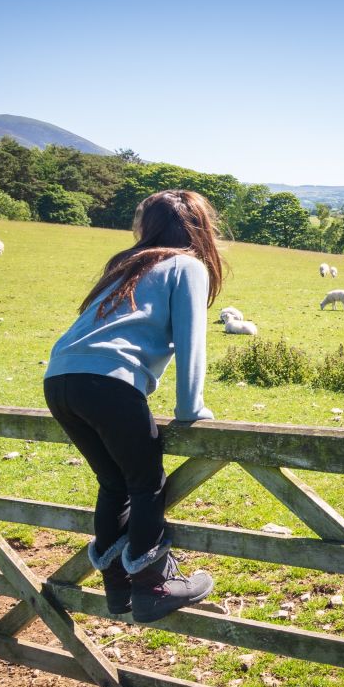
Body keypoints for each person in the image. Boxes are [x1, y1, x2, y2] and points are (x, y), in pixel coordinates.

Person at [44, 189, 222, 622]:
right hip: (109, 382)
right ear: (200, 228)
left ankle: (118, 587)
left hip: (59, 379)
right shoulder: (187, 266)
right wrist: (191, 410)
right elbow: (191, 343)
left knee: (115, 484)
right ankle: (154, 584)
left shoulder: (128, 264)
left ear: (149, 227)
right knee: (147, 484)